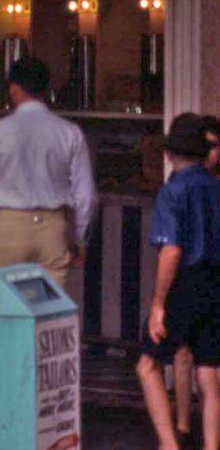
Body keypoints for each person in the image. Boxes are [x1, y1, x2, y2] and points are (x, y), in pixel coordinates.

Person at [136, 113, 220, 450]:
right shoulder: (215, 186)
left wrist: (158, 303)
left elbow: (171, 250)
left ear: (169, 153)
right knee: (209, 373)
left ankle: (169, 444)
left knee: (147, 365)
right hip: (215, 282)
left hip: (184, 283)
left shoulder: (173, 191)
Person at [0, 56, 97, 288]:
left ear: (14, 90)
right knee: (50, 313)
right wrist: (79, 238)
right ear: (46, 90)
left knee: (3, 310)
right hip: (53, 228)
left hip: (10, 224)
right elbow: (86, 195)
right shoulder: (70, 132)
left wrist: (0, 226)